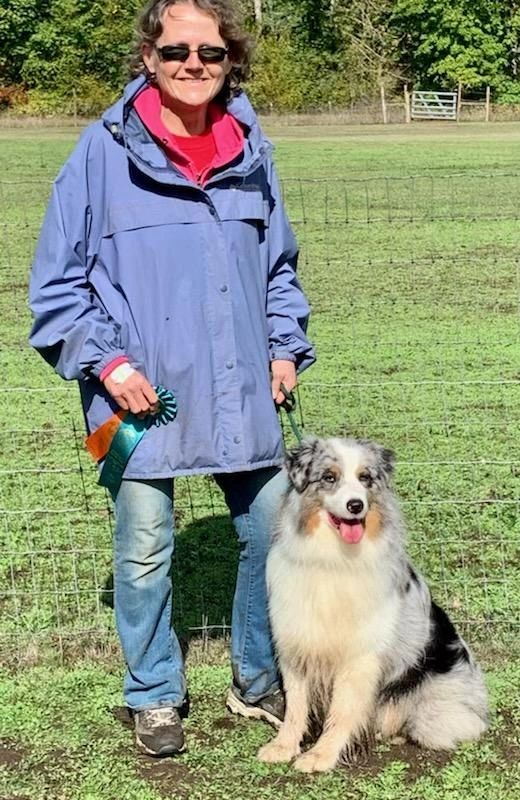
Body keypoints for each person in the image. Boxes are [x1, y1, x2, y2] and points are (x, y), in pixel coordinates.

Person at [29, 0, 315, 757]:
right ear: (149, 58)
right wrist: (110, 363)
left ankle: (258, 677)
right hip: (139, 397)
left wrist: (284, 347)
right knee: (146, 548)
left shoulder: (254, 153)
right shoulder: (101, 152)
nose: (195, 64)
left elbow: (278, 268)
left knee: (277, 532)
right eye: (178, 49)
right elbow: (57, 286)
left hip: (244, 390)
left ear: (231, 63)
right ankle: (153, 693)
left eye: (211, 53)